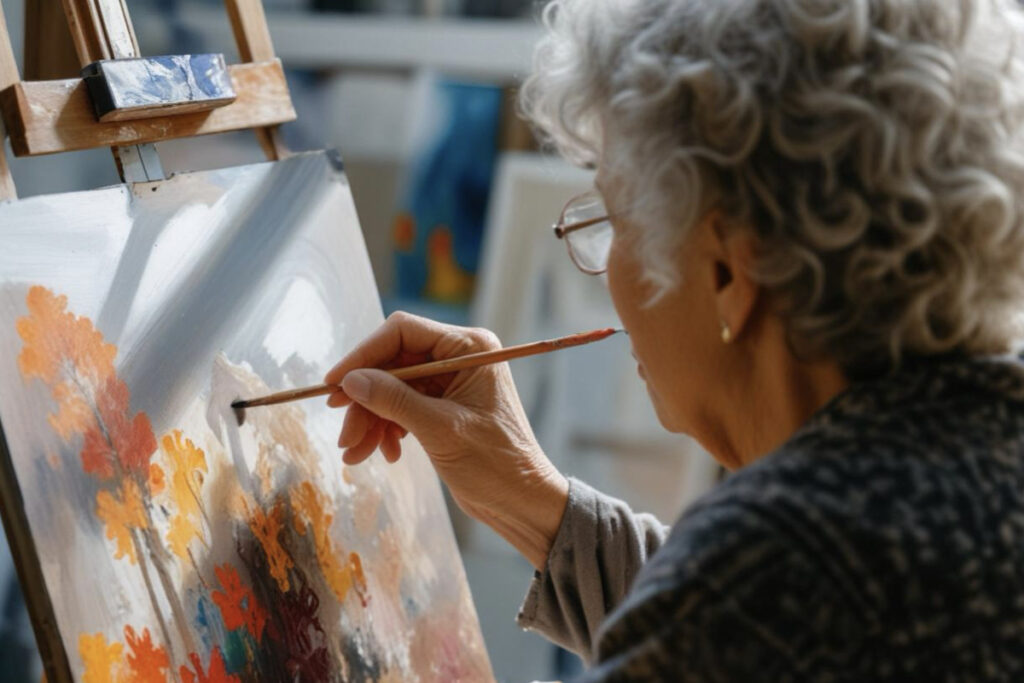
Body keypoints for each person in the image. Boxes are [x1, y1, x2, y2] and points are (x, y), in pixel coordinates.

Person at [326, 0, 1024, 679]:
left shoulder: (771, 579)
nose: (607, 270)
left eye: (617, 218)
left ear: (728, 271)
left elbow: (753, 613)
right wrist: (534, 499)